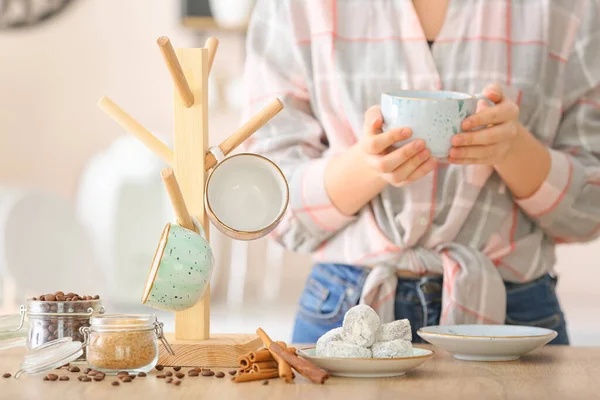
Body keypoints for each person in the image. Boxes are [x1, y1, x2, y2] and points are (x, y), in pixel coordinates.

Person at [241, 0, 600, 345]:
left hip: (514, 315)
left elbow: (590, 210)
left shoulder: (568, 8)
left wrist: (513, 149)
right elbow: (264, 201)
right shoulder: (295, 7)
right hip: (345, 307)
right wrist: (367, 166)